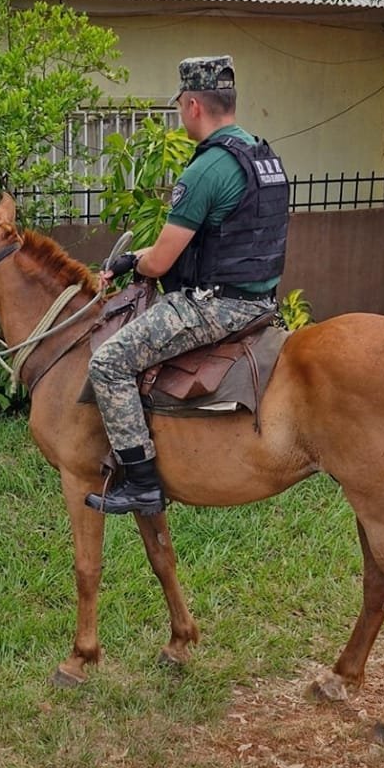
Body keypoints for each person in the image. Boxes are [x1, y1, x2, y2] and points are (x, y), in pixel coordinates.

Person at [86, 55, 289, 516]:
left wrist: (135, 262)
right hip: (261, 302)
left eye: (181, 105)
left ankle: (140, 482)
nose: (181, 114)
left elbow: (160, 262)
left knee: (109, 363)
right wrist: (132, 258)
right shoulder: (264, 157)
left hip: (216, 308)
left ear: (194, 105)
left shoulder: (206, 170)